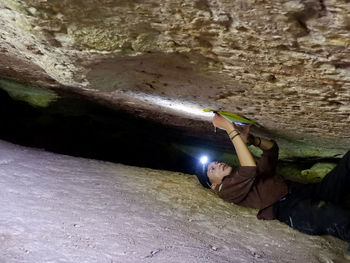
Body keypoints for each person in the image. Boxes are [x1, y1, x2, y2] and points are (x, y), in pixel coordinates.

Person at [196, 113, 350, 260]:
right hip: (290, 207)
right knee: (329, 213)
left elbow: (271, 150)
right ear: (214, 185)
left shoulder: (247, 174)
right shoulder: (227, 191)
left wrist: (252, 139)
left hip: (310, 191)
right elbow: (249, 168)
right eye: (212, 169)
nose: (218, 164)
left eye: (215, 162)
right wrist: (229, 128)